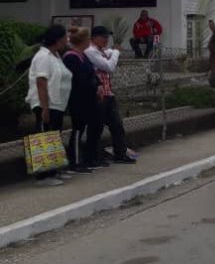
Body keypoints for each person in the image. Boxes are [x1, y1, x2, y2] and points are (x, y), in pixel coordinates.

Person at [26, 24, 73, 186]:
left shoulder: (55, 56)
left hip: (57, 104)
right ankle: (43, 176)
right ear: (58, 40)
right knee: (45, 136)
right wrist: (45, 107)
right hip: (46, 103)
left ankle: (53, 170)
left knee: (54, 137)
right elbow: (41, 82)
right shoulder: (43, 56)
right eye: (65, 38)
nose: (67, 41)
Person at [86, 26, 136, 164]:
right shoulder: (90, 51)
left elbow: (110, 53)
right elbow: (109, 67)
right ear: (94, 37)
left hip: (109, 94)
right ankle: (93, 157)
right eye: (103, 37)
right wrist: (116, 53)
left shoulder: (102, 51)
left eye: (107, 37)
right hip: (98, 95)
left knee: (117, 125)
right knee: (96, 127)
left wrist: (114, 51)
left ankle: (120, 153)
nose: (106, 40)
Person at [62, 27, 101, 172]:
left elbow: (92, 74)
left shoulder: (84, 56)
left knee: (96, 125)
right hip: (78, 99)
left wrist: (98, 86)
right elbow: (77, 79)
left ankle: (90, 157)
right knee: (78, 129)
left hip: (90, 98)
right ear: (83, 41)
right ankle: (75, 162)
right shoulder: (71, 57)